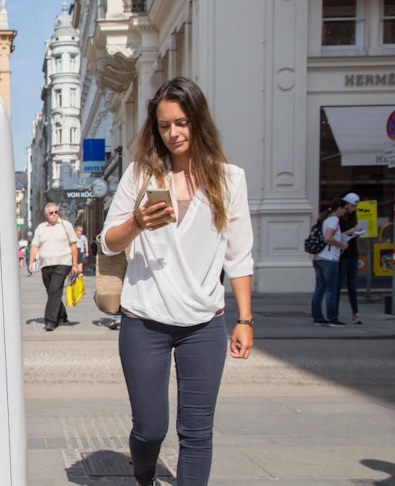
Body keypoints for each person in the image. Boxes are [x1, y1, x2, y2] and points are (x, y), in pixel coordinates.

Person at [100, 77, 254, 486]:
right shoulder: (141, 175)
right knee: (150, 429)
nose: (174, 133)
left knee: (197, 433)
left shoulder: (230, 179)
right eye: (165, 125)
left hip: (204, 325)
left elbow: (239, 256)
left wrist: (245, 319)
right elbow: (108, 242)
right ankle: (144, 476)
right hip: (144, 321)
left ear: (198, 121)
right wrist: (137, 222)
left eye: (182, 123)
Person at [28, 202, 79, 331]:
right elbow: (35, 246)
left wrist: (75, 264)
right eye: (51, 213)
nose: (54, 214)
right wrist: (31, 263)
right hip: (46, 264)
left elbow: (73, 246)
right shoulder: (41, 228)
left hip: (63, 263)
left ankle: (50, 321)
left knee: (54, 291)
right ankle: (62, 316)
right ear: (46, 215)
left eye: (56, 212)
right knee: (51, 292)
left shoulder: (66, 225)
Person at [311, 198, 353, 327]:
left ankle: (317, 317)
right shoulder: (334, 220)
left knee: (319, 288)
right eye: (345, 209)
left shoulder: (326, 219)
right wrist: (342, 245)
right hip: (329, 259)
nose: (346, 211)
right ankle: (332, 318)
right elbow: (328, 237)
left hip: (319, 257)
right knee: (331, 289)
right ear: (338, 208)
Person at [337, 192, 364, 324]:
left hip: (353, 252)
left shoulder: (353, 216)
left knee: (352, 285)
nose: (353, 209)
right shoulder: (339, 219)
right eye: (352, 206)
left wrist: (357, 231)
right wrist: (351, 231)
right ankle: (334, 312)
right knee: (339, 284)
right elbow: (336, 235)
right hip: (343, 254)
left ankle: (355, 313)